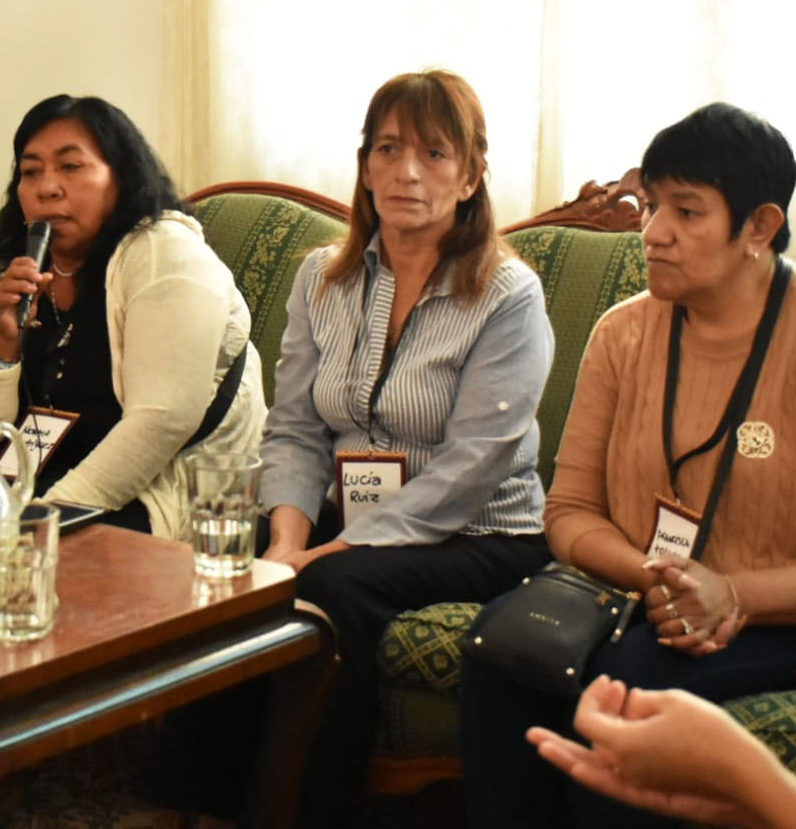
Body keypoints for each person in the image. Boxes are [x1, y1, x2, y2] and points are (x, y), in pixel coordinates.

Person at [459, 102, 796, 829]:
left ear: (758, 229)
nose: (653, 232)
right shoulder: (622, 333)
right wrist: (660, 578)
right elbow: (569, 511)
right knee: (499, 659)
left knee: (624, 696)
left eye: (687, 212)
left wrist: (732, 593)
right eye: (652, 206)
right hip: (654, 597)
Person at [156, 69, 555, 828]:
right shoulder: (321, 278)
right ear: (365, 165)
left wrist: (333, 553)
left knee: (333, 593)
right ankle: (194, 806)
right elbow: (298, 428)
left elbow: (475, 464)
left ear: (470, 176)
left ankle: (307, 810)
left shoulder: (507, 295)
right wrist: (286, 537)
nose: (407, 171)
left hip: (483, 533)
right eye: (388, 148)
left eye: (435, 154)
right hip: (351, 520)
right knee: (227, 567)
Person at [0, 93, 264, 536]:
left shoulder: (165, 254)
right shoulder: (11, 277)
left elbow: (162, 421)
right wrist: (1, 346)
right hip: (38, 488)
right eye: (30, 171)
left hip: (154, 495)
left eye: (71, 166)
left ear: (122, 178)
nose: (47, 187)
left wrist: (41, 520)